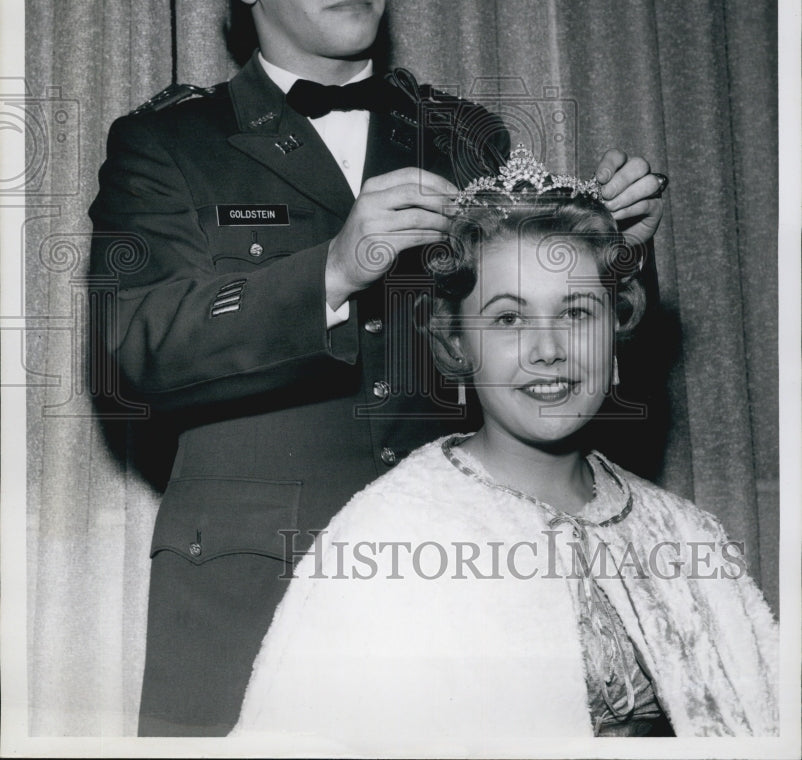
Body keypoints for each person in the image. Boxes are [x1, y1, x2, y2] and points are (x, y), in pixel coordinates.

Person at [88, 0, 666, 736]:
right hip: (252, 589)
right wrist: (329, 269)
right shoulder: (167, 145)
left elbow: (545, 364)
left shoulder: (466, 136)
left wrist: (608, 259)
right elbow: (132, 352)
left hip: (457, 577)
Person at [234, 145, 778, 749]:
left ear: (616, 333)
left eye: (576, 312)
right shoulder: (393, 533)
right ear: (459, 347)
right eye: (509, 320)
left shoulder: (684, 533)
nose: (548, 349)